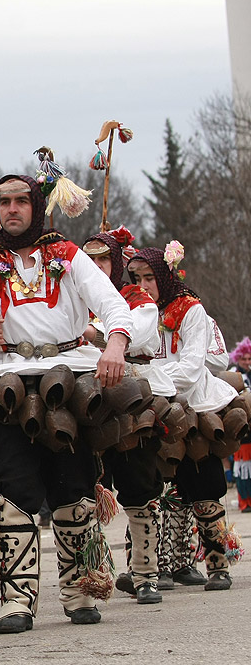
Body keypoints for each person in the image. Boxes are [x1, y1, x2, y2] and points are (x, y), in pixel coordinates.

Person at [0, 174, 133, 633]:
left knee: (73, 490)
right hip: (6, 382)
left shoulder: (67, 255)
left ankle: (79, 592)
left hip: (67, 378)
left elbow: (114, 306)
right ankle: (17, 601)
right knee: (12, 490)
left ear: (36, 206)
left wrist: (114, 345)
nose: (12, 209)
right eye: (4, 201)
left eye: (21, 201)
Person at [128, 244, 240, 591]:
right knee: (156, 485)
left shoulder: (191, 310)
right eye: (136, 278)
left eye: (149, 277)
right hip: (153, 406)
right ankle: (159, 565)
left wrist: (152, 379)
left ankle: (219, 563)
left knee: (204, 481)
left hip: (194, 405)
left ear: (166, 275)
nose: (143, 285)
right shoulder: (133, 311)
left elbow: (193, 368)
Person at [81, 229, 177, 604]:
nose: (97, 267)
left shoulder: (138, 299)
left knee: (139, 486)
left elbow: (137, 335)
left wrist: (94, 332)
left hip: (132, 395)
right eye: (90, 261)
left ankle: (145, 572)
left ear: (117, 262)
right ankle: (91, 575)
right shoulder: (73, 297)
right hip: (86, 396)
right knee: (84, 489)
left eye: (104, 259)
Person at [229, 337, 251, 513]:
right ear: (238, 359)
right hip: (242, 431)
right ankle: (244, 501)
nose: (247, 362)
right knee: (243, 469)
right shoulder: (233, 375)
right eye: (244, 358)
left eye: (249, 359)